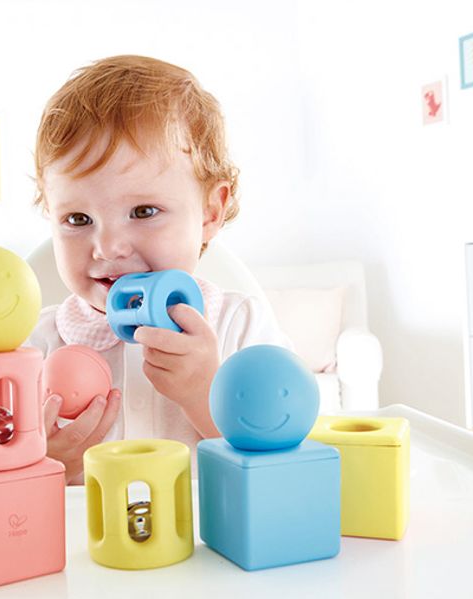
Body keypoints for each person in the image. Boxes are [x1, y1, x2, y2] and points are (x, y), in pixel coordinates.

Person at [27, 55, 291, 483]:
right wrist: (45, 464)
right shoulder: (36, 347)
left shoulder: (240, 327)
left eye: (143, 211)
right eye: (77, 219)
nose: (108, 247)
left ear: (210, 211)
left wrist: (205, 394)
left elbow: (284, 466)